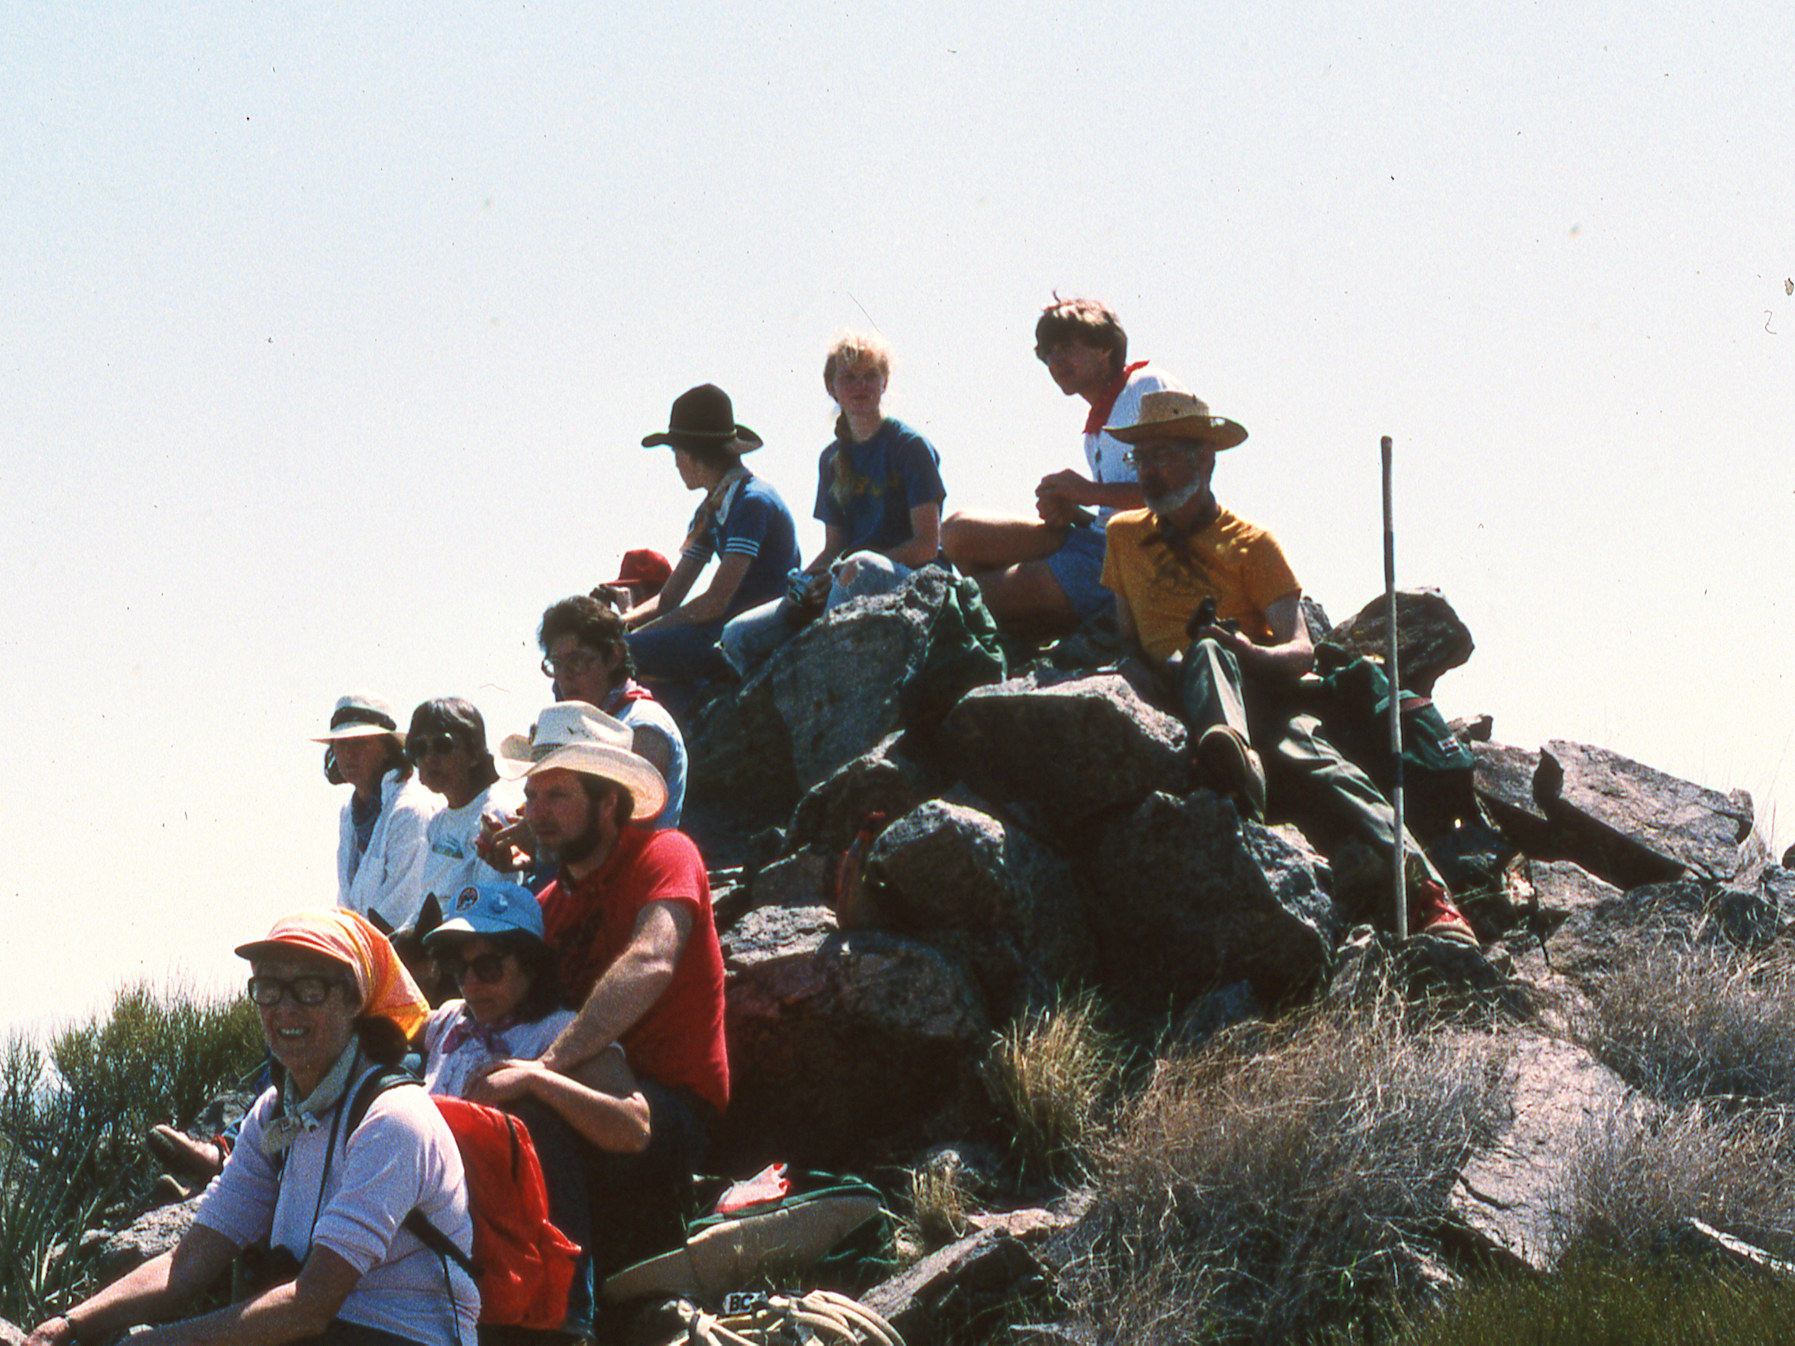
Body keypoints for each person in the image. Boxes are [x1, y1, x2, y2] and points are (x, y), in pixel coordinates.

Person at [1097, 389, 1476, 943]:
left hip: (1261, 690)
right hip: (1176, 685)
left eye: (1161, 456)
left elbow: (1300, 648)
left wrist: (1247, 652)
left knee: (1325, 766)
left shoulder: (1253, 544)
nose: (1147, 471)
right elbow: (1127, 635)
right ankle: (1229, 748)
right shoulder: (1123, 536)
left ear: (1204, 457)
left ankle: (1430, 896)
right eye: (1140, 457)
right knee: (1199, 653)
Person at [31, 910, 475, 1346]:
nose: (284, 1007)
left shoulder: (392, 1119)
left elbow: (311, 1304)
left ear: (353, 1000)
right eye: (268, 988)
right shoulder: (274, 1114)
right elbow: (187, 1265)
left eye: (309, 989)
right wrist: (70, 1324)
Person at [498, 702, 727, 1279]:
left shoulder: (665, 855)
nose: (538, 813)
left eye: (558, 796)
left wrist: (544, 1069)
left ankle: (569, 1321)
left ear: (608, 804)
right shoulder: (547, 908)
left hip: (671, 1111)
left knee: (535, 1120)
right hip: (590, 1098)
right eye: (533, 796)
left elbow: (651, 961)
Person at [421, 880, 651, 1339]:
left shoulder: (561, 1032)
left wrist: (537, 1079)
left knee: (531, 1117)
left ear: (529, 964)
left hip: (524, 1251)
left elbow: (635, 1126)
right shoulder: (448, 1020)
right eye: (457, 969)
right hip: (446, 1242)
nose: (469, 985)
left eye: (487, 967)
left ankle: (565, 1322)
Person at [941, 297, 1186, 636]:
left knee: (970, 598)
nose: (1056, 361)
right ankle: (1040, 618)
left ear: (1104, 347)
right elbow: (1110, 514)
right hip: (1095, 541)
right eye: (1048, 354)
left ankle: (1050, 621)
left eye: (1067, 348)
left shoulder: (1147, 387)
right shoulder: (1095, 431)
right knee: (958, 531)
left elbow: (1180, 492)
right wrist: (1075, 511)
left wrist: (1089, 491)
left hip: (1132, 558)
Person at [719, 332, 949, 675]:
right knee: (737, 635)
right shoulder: (831, 459)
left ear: (885, 382)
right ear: (832, 387)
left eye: (870, 375)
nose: (860, 386)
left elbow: (927, 546)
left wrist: (844, 570)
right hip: (847, 576)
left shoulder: (909, 446)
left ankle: (834, 687)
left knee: (859, 568)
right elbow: (833, 547)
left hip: (911, 578)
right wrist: (809, 581)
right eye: (849, 377)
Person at [621, 384, 801, 706]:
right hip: (721, 627)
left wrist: (636, 637)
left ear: (693, 455)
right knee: (609, 649)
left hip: (753, 631)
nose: (676, 464)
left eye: (676, 453)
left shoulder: (751, 502)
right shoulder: (713, 508)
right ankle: (695, 714)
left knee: (625, 655)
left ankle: (694, 714)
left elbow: (714, 602)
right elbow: (669, 597)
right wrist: (617, 625)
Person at [536, 595, 687, 830]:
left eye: (577, 660)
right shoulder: (595, 723)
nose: (565, 675)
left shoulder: (642, 725)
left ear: (614, 655)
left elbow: (627, 833)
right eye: (557, 664)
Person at [316, 693, 440, 933]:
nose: (350, 754)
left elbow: (397, 915)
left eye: (361, 742)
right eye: (342, 744)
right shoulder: (349, 815)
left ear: (387, 748)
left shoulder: (410, 809)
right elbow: (346, 905)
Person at [407, 699, 513, 911]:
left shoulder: (495, 816)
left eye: (442, 745)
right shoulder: (437, 823)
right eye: (419, 748)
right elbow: (424, 905)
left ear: (474, 754)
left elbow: (489, 911)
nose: (429, 758)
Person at [592, 548, 673, 613]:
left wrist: (627, 610)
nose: (629, 596)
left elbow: (637, 632)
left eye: (633, 590)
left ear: (655, 592)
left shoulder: (675, 624)